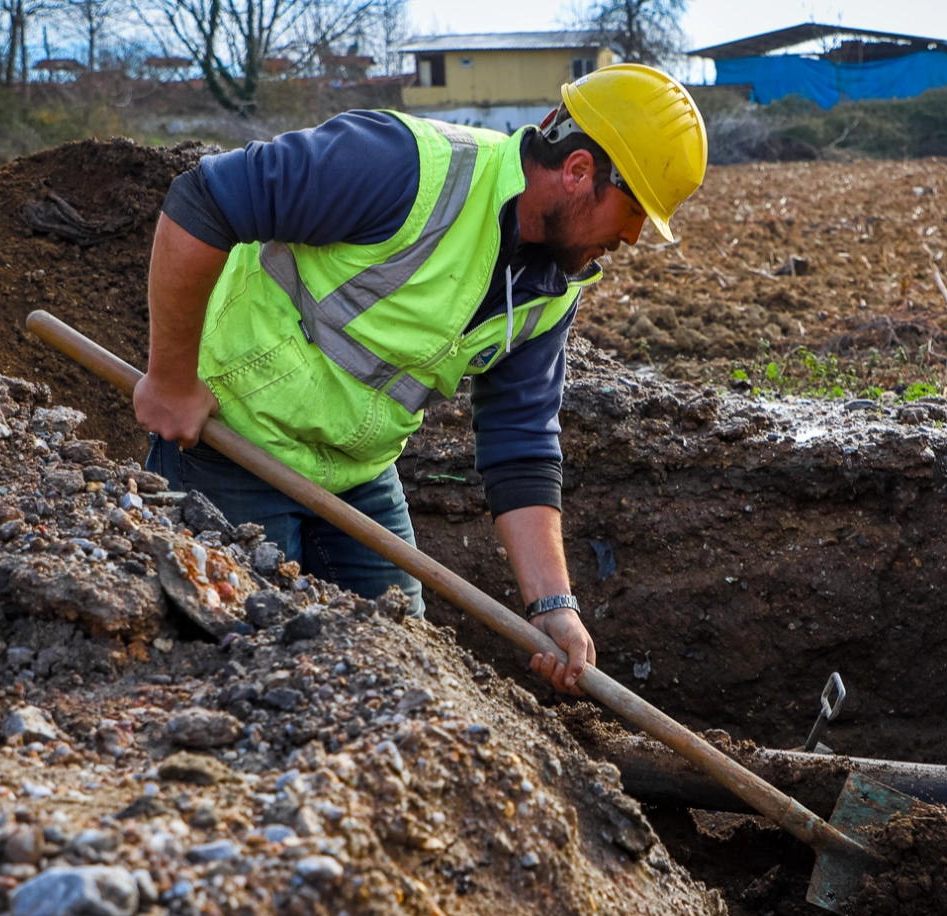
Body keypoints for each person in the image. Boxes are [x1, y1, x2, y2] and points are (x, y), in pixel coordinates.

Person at [136, 65, 707, 695]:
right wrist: (170, 379)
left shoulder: (551, 287)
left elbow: (520, 441)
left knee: (407, 675)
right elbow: (204, 200)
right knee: (238, 662)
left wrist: (554, 605)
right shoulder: (403, 168)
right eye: (633, 212)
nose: (632, 237)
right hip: (231, 439)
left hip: (356, 473)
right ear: (578, 172)